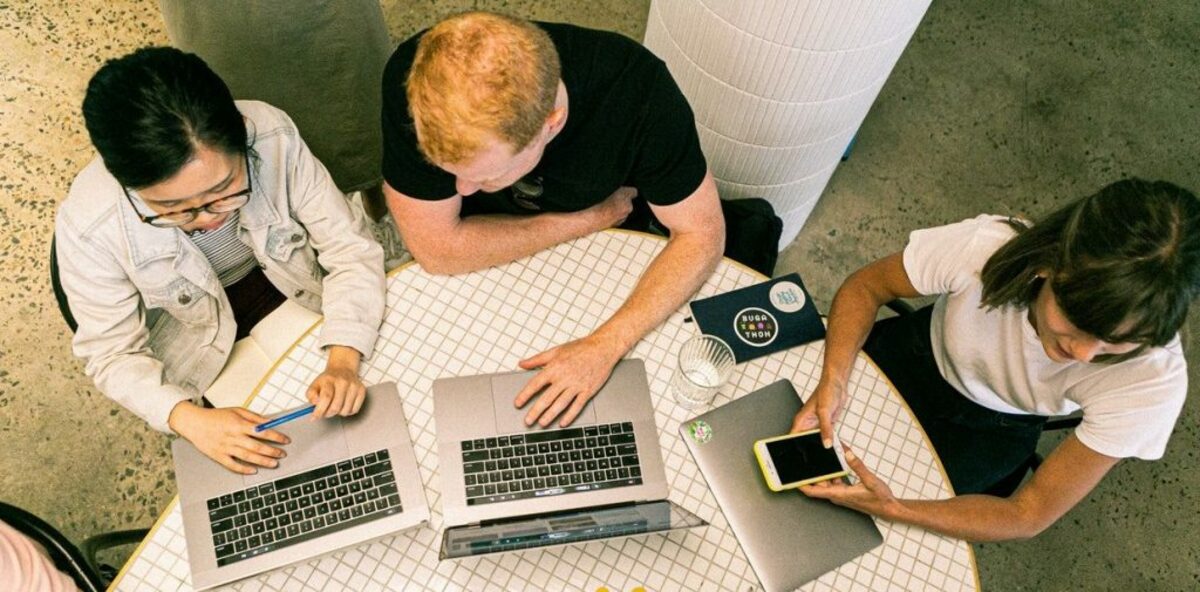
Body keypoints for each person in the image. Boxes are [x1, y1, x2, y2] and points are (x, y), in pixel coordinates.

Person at [791, 179, 1199, 541]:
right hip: (912, 354)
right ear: (1049, 265)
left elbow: (1028, 513)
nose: (1083, 354)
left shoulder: (1153, 383)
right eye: (1075, 322)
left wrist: (895, 507)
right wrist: (835, 379)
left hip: (998, 428)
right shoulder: (986, 247)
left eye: (1115, 344)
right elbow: (867, 288)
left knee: (863, 532)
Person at [381, 12, 726, 429]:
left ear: (552, 123)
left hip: (602, 272)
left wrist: (605, 345)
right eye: (448, 168)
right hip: (494, 268)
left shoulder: (639, 94)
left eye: (486, 175)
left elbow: (703, 233)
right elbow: (437, 250)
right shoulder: (416, 80)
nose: (462, 190)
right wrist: (587, 218)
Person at [56, 47, 385, 474]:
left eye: (226, 190)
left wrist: (343, 358)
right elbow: (111, 355)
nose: (209, 221)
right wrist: (190, 419)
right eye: (175, 210)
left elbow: (349, 248)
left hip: (301, 295)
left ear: (243, 136)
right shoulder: (88, 223)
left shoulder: (271, 134)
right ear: (125, 184)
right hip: (197, 353)